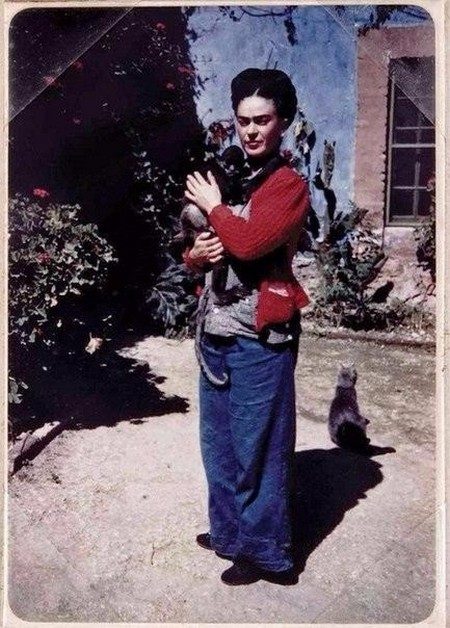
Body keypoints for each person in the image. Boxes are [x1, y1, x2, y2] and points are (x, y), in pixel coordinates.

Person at [183, 68, 310, 586]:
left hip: (260, 337)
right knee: (218, 445)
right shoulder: (230, 174)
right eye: (243, 121)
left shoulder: (288, 185)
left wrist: (214, 207)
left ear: (283, 122)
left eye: (263, 120)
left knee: (259, 448)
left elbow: (251, 243)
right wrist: (196, 254)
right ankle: (230, 533)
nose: (251, 131)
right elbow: (198, 253)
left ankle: (267, 553)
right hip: (216, 330)